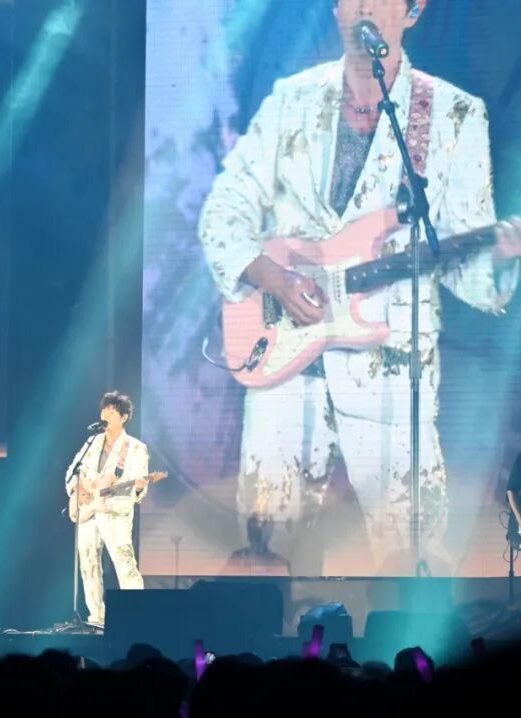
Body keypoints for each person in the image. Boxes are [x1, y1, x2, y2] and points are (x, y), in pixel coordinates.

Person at [198, 0, 520, 571]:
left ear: (414, 10)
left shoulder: (450, 114)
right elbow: (222, 212)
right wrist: (274, 277)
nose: (364, 6)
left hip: (391, 374)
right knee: (268, 552)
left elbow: (462, 270)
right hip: (285, 367)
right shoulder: (291, 100)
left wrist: (498, 256)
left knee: (411, 556)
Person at [64, 391, 150, 626]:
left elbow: (138, 486)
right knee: (88, 565)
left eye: (112, 411)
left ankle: (137, 618)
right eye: (104, 410)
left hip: (114, 514)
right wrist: (77, 489)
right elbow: (72, 472)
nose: (106, 414)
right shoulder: (92, 443)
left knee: (125, 565)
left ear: (124, 417)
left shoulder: (135, 448)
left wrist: (138, 488)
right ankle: (96, 618)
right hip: (88, 512)